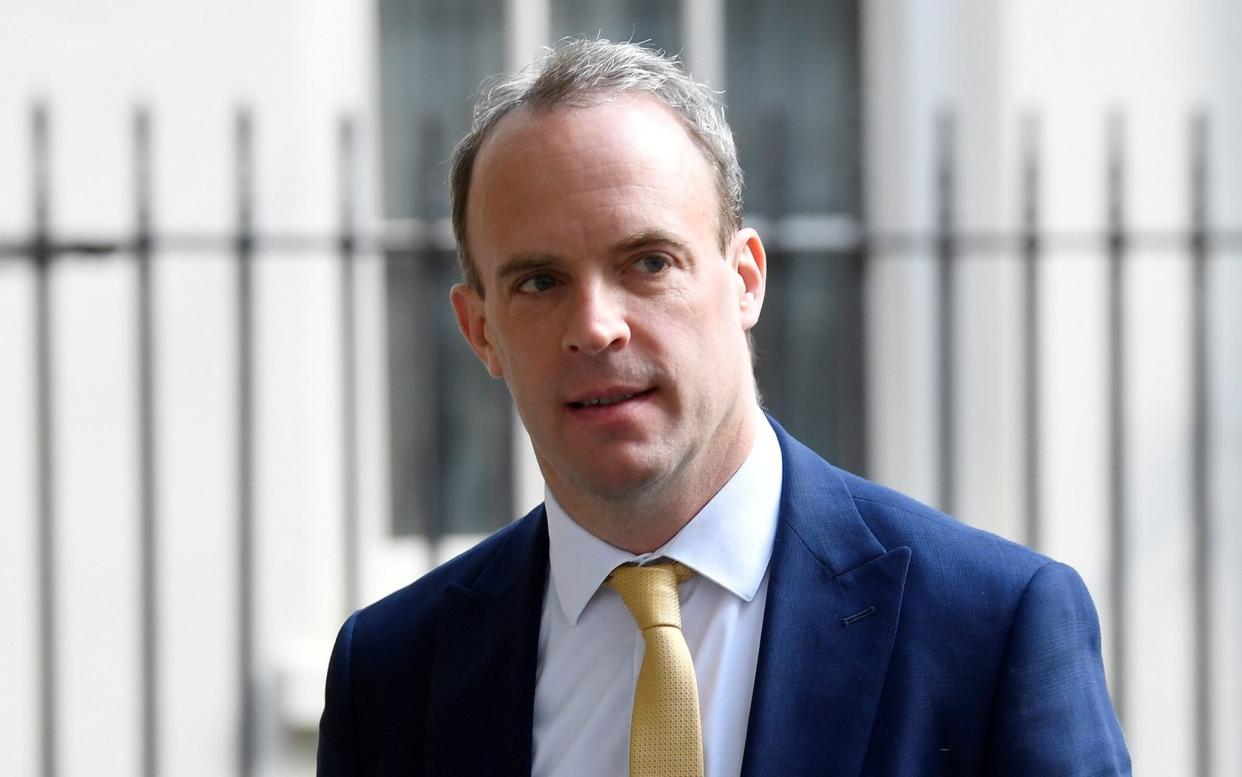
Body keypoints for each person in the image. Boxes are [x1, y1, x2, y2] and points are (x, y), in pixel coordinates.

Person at [317, 38, 1130, 777]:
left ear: (744, 280)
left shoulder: (990, 630)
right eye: (539, 281)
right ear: (480, 329)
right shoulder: (392, 676)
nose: (596, 327)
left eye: (647, 261)